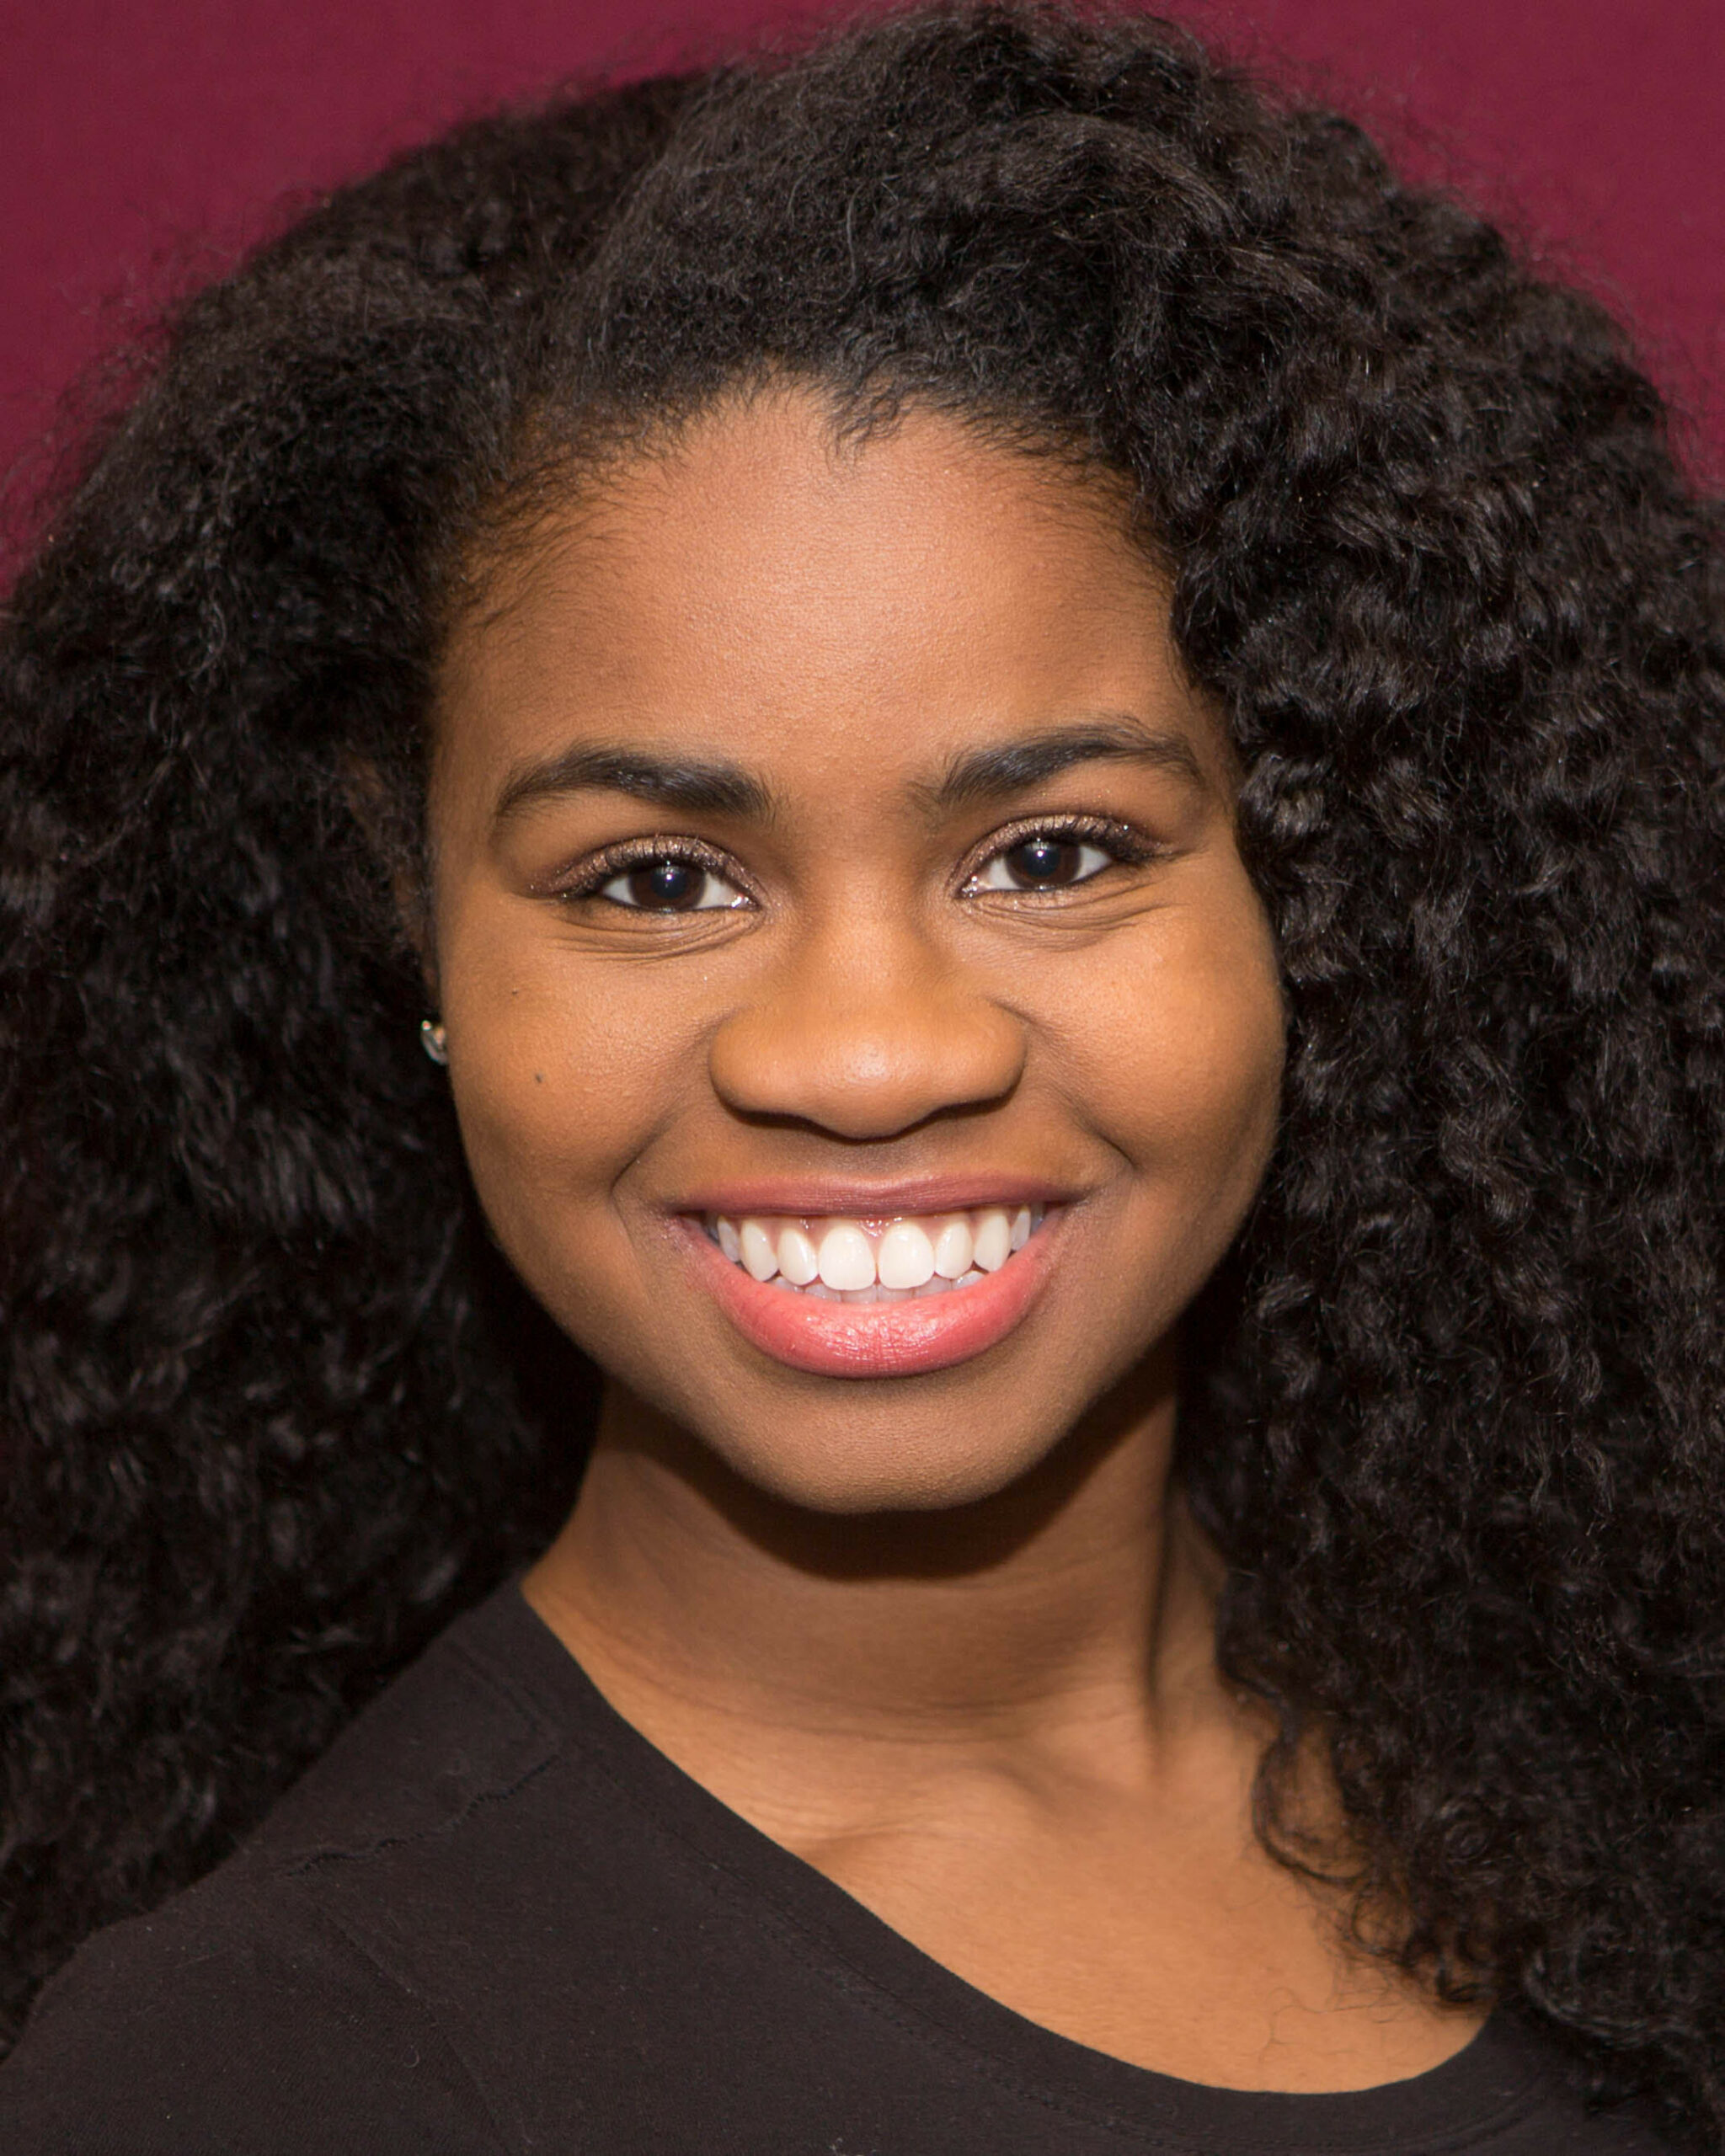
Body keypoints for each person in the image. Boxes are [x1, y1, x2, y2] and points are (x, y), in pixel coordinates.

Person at [0, 3, 1719, 2148]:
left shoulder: (1631, 1787)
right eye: (652, 880)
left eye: (1055, 851)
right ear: (407, 907)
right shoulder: (268, 2063)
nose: (867, 1054)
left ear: (1327, 877)